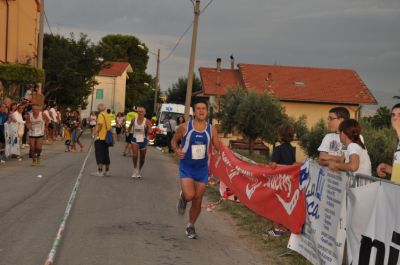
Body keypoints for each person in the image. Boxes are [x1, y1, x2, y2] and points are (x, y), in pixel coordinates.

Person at [171, 99, 220, 239]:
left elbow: (218, 147)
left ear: (207, 110)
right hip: (187, 167)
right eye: (198, 108)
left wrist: (223, 154)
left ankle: (190, 226)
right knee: (190, 195)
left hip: (202, 169)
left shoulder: (212, 129)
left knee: (198, 199)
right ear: (194, 111)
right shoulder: (185, 127)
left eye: (204, 108)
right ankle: (183, 197)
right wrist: (176, 150)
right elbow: (174, 141)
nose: (201, 111)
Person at [267, 123, 296, 237]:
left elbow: (273, 165)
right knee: (285, 205)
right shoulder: (292, 149)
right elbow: (292, 164)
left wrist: (269, 164)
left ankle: (276, 229)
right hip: (288, 182)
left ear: (280, 136)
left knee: (274, 205)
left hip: (278, 182)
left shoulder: (278, 149)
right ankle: (283, 228)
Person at [377, 103, 400, 182]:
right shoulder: (397, 141)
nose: (395, 118)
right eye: (393, 115)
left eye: (399, 115)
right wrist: (386, 168)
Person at [127, 106, 153, 178]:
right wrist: (128, 132)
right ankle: (135, 169)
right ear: (137, 112)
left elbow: (150, 129)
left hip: (144, 140)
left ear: (144, 113)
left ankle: (139, 171)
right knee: (135, 155)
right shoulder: (133, 120)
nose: (140, 113)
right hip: (135, 139)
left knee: (142, 158)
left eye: (142, 111)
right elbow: (130, 126)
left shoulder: (147, 121)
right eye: (139, 111)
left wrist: (150, 130)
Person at [91, 103, 112, 177]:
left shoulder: (100, 115)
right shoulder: (108, 115)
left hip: (100, 137)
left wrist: (96, 133)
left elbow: (100, 124)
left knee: (99, 154)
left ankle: (100, 171)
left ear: (99, 109)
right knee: (106, 154)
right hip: (106, 138)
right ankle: (107, 171)